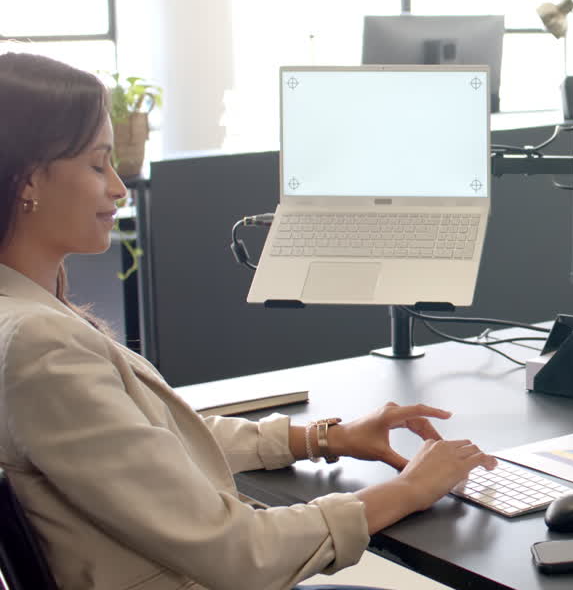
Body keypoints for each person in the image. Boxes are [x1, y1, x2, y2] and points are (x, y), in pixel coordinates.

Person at [0, 52, 497, 590]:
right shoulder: (40, 345)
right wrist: (410, 490)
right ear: (30, 180)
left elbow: (146, 443)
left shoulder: (25, 315)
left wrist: (322, 438)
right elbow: (240, 553)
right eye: (98, 165)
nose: (119, 189)